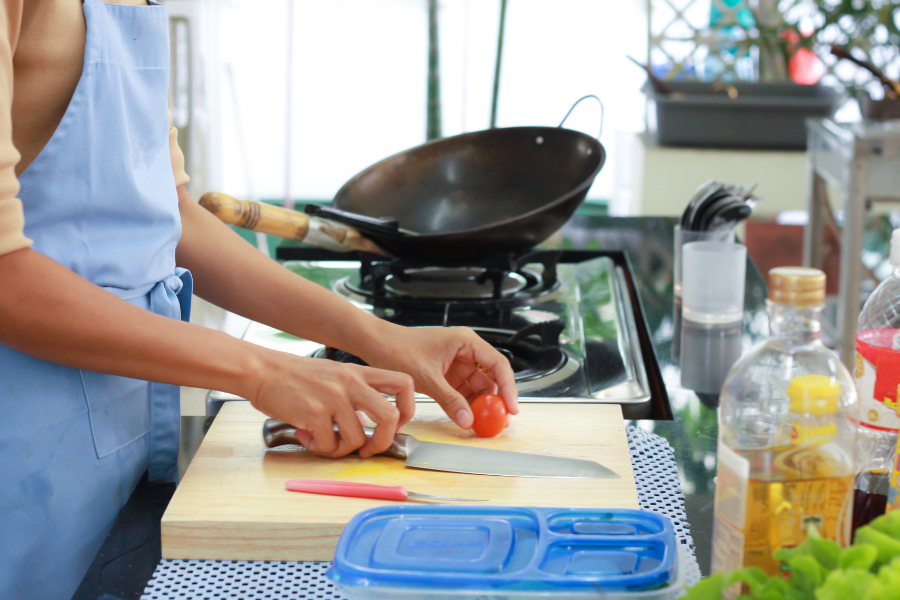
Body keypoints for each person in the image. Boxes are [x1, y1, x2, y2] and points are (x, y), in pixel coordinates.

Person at [0, 2, 518, 599]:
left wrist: (381, 336)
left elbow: (171, 217)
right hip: (19, 446)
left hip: (117, 437)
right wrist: (262, 370)